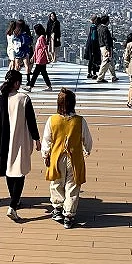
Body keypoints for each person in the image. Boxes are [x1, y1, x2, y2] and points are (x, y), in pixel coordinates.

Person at [41, 88, 93, 229]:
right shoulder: (80, 121)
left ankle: (57, 208)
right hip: (74, 159)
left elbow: (47, 140)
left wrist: (45, 154)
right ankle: (69, 215)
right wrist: (87, 150)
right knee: (73, 185)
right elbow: (87, 140)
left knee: (57, 183)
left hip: (57, 157)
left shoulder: (52, 120)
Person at [0, 69, 41, 222]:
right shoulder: (24, 98)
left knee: (9, 170)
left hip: (4, 141)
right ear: (16, 83)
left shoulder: (1, 99)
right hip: (19, 140)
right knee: (20, 172)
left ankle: (14, 199)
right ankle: (13, 206)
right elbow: (31, 121)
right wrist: (37, 139)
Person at [24, 23, 52, 92]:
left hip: (41, 58)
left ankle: (30, 86)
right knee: (43, 73)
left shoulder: (41, 38)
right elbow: (37, 49)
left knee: (36, 73)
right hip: (39, 58)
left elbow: (45, 48)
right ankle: (49, 86)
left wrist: (48, 57)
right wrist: (33, 57)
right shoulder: (40, 37)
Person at [95, 15, 118, 83]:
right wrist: (108, 49)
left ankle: (113, 76)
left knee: (110, 62)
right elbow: (106, 40)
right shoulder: (105, 29)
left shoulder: (99, 28)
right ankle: (100, 77)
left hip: (102, 46)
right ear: (107, 21)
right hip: (106, 47)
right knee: (105, 62)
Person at [123, 32, 132, 110]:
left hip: (128, 68)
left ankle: (130, 101)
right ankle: (130, 102)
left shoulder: (126, 46)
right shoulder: (130, 47)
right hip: (131, 67)